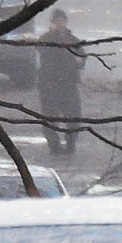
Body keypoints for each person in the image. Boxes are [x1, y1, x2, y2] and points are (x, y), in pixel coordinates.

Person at [37, 9, 83, 158]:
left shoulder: (74, 40)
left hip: (69, 85)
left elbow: (81, 58)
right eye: (57, 20)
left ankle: (70, 144)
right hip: (49, 85)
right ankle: (54, 146)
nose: (60, 23)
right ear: (52, 22)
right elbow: (46, 56)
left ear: (66, 21)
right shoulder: (45, 39)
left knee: (73, 116)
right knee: (50, 117)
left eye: (62, 20)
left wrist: (78, 62)